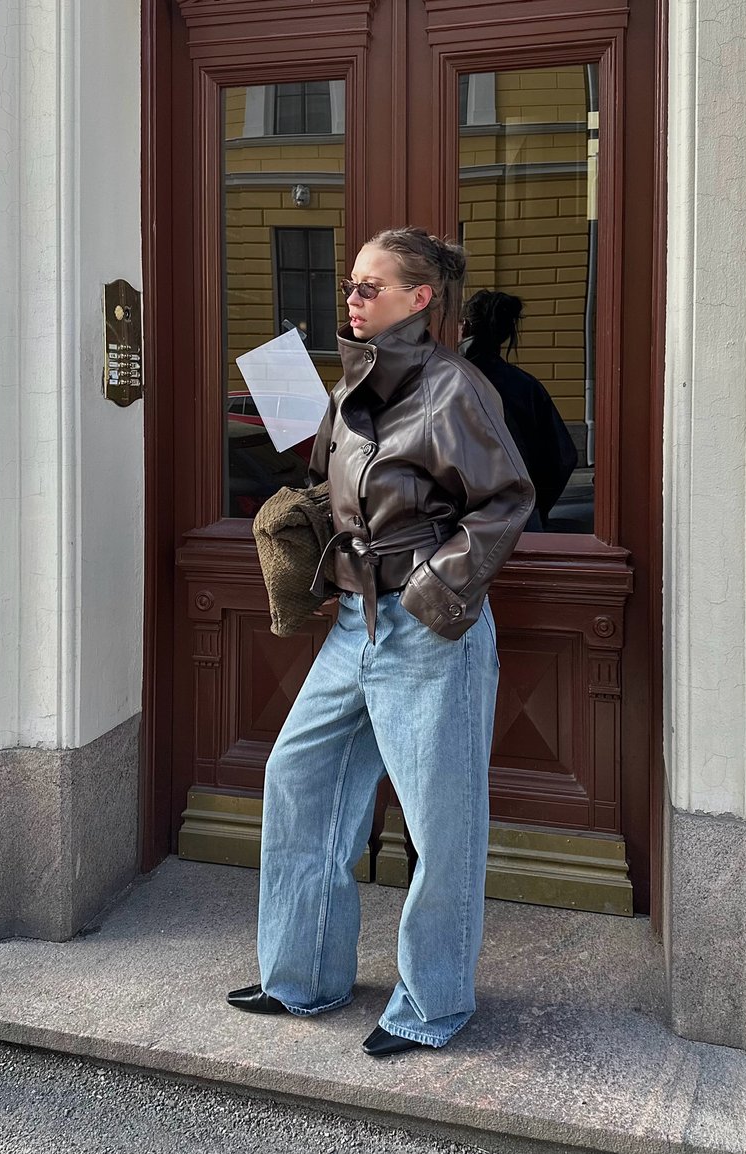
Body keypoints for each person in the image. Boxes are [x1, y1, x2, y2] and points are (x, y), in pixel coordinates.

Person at [227, 227, 534, 1056]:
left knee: (441, 822)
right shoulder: (349, 383)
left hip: (429, 627)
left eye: (371, 287)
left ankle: (433, 1004)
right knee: (300, 777)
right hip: (355, 623)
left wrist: (437, 593)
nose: (353, 299)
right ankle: (303, 978)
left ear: (420, 299)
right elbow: (343, 485)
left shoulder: (454, 388)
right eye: (351, 287)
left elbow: (505, 501)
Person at [460, 290, 578, 530]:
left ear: (465, 326)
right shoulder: (526, 386)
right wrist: (534, 504)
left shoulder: (449, 380)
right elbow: (563, 458)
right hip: (522, 519)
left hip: (463, 525)